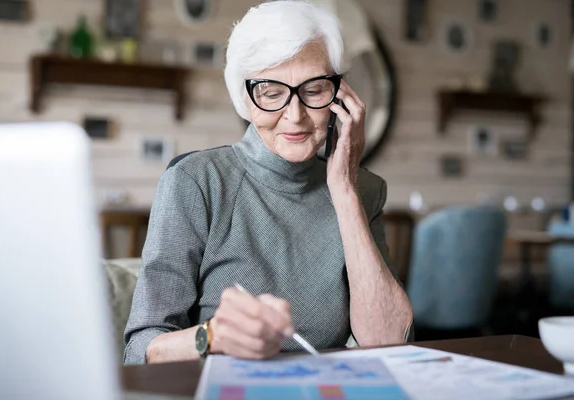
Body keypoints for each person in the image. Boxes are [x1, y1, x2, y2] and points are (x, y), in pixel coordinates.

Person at [123, 0, 413, 365]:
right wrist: (209, 337)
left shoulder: (364, 191)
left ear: (339, 96)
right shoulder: (195, 182)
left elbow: (389, 342)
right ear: (245, 100)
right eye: (271, 92)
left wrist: (344, 190)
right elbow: (140, 350)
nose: (295, 116)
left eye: (314, 90)